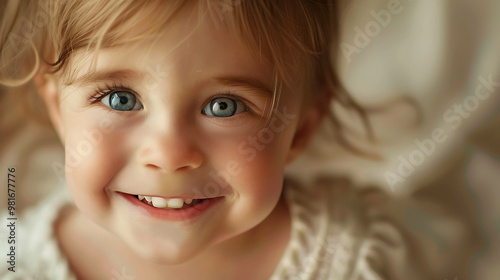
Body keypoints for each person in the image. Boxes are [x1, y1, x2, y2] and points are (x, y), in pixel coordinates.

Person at [0, 0, 443, 279]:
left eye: (224, 106)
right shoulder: (17, 263)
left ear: (300, 130)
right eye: (119, 98)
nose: (169, 155)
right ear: (58, 109)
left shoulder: (360, 255)